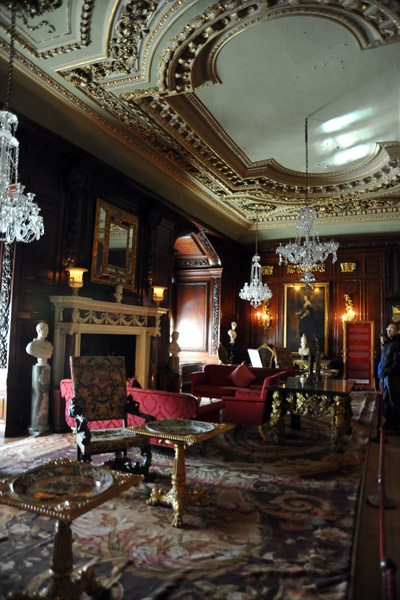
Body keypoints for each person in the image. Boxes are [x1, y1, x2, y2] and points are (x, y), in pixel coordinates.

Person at [379, 322, 400, 433]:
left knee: (394, 401)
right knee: (385, 400)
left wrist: (388, 372)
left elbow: (397, 363)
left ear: (397, 331)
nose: (388, 331)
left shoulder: (397, 343)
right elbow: (385, 360)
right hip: (386, 376)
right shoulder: (388, 343)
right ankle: (387, 423)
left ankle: (395, 426)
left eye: (391, 329)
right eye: (388, 329)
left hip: (393, 377)